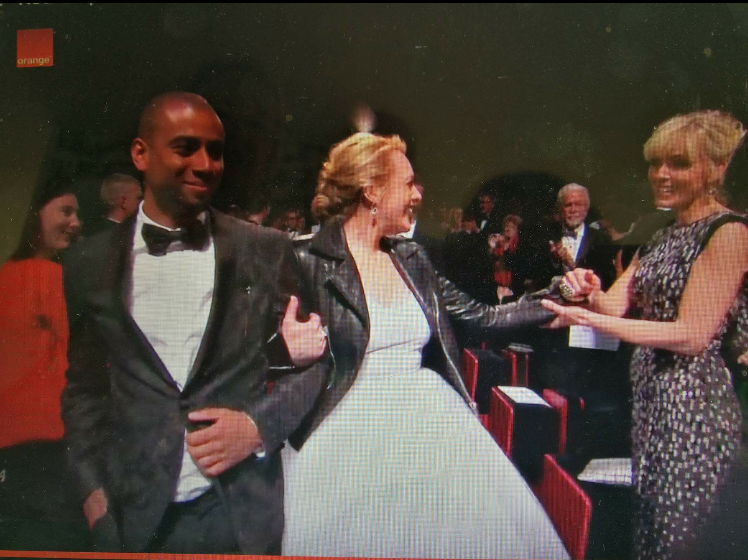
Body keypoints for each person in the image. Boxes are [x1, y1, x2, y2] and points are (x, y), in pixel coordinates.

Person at [61, 92, 327, 554]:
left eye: (215, 152)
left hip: (238, 515)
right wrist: (92, 497)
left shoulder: (265, 249)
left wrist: (258, 427)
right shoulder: (88, 263)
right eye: (186, 148)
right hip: (132, 515)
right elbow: (84, 388)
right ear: (140, 154)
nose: (205, 165)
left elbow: (317, 364)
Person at [282, 132, 569, 559]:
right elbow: (256, 350)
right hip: (347, 439)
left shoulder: (411, 257)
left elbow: (484, 317)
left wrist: (563, 293)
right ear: (371, 191)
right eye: (408, 183)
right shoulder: (305, 259)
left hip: (430, 430)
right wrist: (284, 349)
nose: (418, 194)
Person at [542, 110, 748, 560]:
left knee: (680, 539)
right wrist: (590, 292)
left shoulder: (728, 232)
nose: (661, 174)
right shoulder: (661, 235)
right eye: (656, 163)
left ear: (716, 169)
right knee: (652, 531)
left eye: (678, 163)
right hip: (651, 403)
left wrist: (590, 320)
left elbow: (692, 335)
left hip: (694, 412)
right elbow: (613, 306)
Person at [0, 183, 87, 550]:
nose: (76, 223)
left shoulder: (5, 274)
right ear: (36, 215)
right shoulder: (52, 277)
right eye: (65, 211)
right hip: (47, 438)